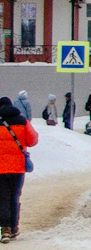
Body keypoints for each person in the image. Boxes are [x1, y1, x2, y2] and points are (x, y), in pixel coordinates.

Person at [0, 95, 39, 242]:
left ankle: (5, 230)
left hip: (1, 168)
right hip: (17, 167)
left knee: (3, 198)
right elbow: (33, 140)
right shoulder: (23, 121)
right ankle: (14, 227)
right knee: (14, 197)